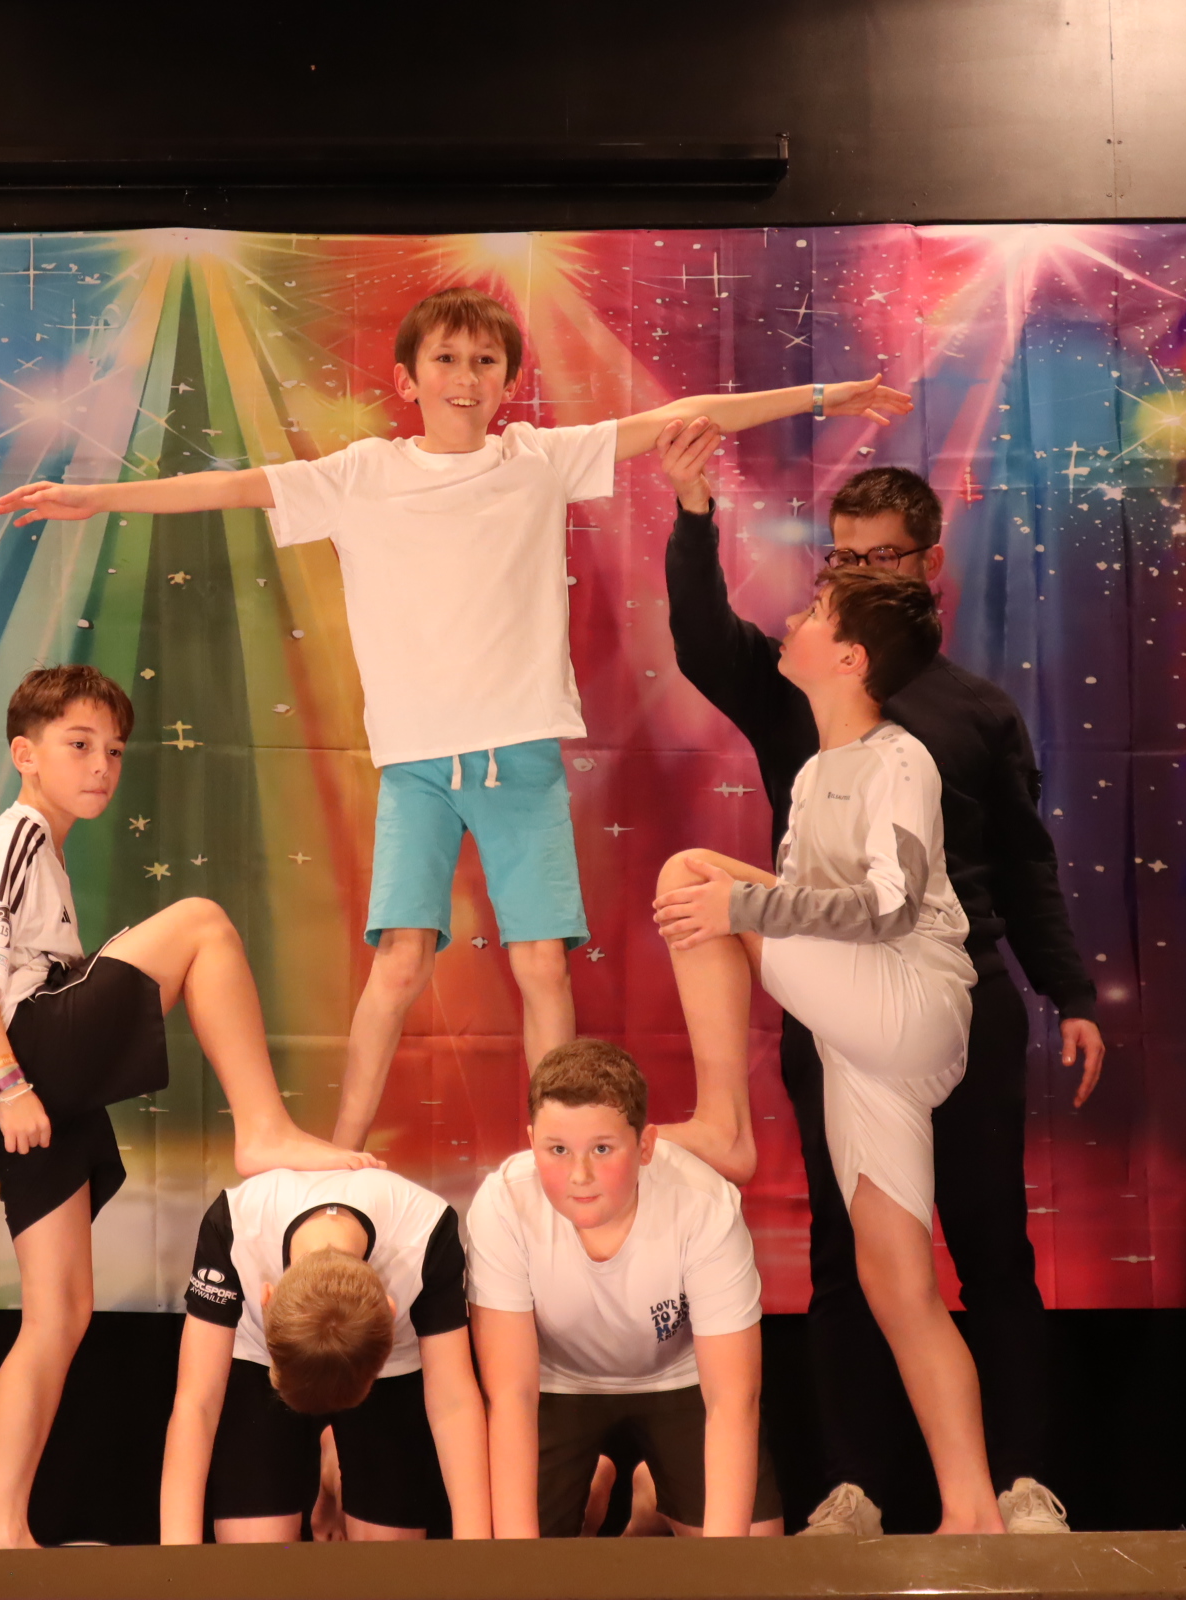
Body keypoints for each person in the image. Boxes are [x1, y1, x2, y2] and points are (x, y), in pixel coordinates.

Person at [0, 288, 911, 1166]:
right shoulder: (363, 474)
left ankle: (554, 1149)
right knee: (398, 966)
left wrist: (824, 396)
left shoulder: (537, 459)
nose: (465, 377)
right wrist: (97, 497)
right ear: (408, 378)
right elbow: (232, 488)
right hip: (417, 768)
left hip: (520, 758)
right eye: (445, 359)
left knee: (541, 966)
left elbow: (684, 413)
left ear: (508, 381)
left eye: (484, 361)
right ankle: (339, 1150)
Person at [656, 426, 1102, 1536]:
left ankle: (1022, 1480)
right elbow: (705, 640)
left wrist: (1071, 993)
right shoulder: (805, 729)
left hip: (933, 996)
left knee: (992, 1245)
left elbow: (1002, 871)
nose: (841, 582)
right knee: (872, 1268)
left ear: (922, 568)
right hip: (841, 1008)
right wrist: (694, 512)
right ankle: (900, 1492)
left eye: (874, 562)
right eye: (836, 562)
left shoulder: (945, 728)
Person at [0, 663, 375, 1550]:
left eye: (115, 750)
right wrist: (12, 1084)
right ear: (24, 754)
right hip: (15, 1069)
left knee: (60, 1315)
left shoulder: (46, 854)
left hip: (25, 1080)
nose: (101, 765)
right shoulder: (12, 837)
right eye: (78, 745)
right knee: (202, 922)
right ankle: (263, 1129)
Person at [652, 563, 1000, 1532]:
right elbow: (806, 912)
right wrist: (749, 904)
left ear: (849, 658)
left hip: (910, 998)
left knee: (694, 875)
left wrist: (741, 904)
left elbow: (888, 906)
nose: (789, 621)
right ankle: (974, 1514)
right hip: (863, 1048)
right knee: (898, 1286)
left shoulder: (900, 759)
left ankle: (723, 1121)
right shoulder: (812, 773)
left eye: (811, 613)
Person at [467, 1038, 777, 1539]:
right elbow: (511, 1395)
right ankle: (594, 1482)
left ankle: (656, 1496)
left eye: (602, 1149)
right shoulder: (503, 1204)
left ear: (646, 1146)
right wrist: (517, 1565)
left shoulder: (704, 1206)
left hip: (677, 1376)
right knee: (518, 1552)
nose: (580, 1175)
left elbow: (732, 1398)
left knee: (753, 1551)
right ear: (531, 1142)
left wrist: (725, 1566)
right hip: (556, 1382)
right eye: (558, 1150)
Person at [160, 1165, 490, 1543]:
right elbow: (196, 1403)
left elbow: (454, 1402)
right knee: (253, 1559)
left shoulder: (426, 1228)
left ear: (389, 1309)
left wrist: (477, 1551)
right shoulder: (237, 1221)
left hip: (387, 1371)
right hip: (260, 1361)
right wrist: (174, 1561)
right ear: (267, 1301)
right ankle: (329, 1453)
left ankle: (336, 1463)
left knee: (389, 1561)